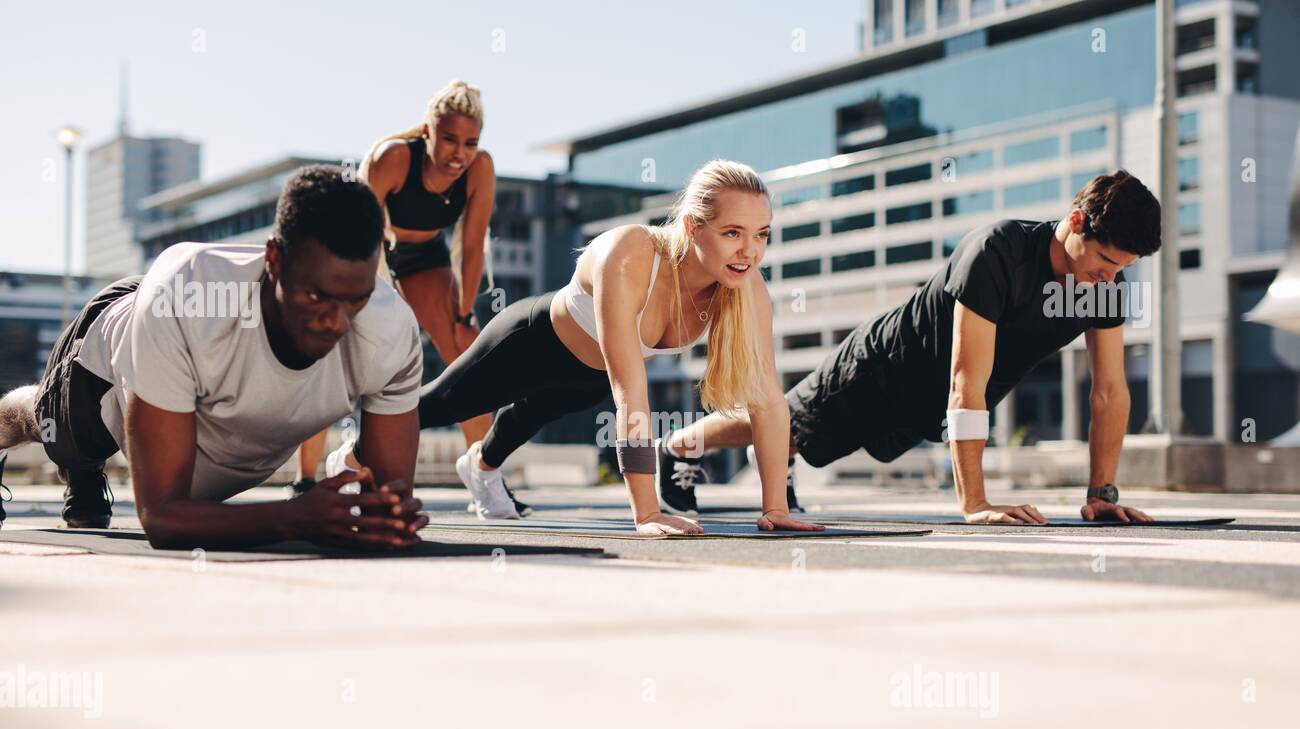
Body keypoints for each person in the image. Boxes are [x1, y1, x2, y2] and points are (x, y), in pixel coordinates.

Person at [659, 170, 1162, 525]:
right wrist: (976, 502)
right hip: (884, 368)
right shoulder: (998, 253)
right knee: (785, 424)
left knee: (792, 436)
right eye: (1103, 259)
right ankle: (679, 446)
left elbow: (1109, 393)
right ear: (1076, 222)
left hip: (933, 402)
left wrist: (1102, 494)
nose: (1110, 277)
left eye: (1123, 268)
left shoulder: (1102, 286)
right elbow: (968, 379)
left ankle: (772, 456)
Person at [0, 165, 427, 548]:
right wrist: (295, 518)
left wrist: (383, 517)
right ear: (274, 258)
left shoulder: (389, 330)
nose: (336, 322)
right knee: (49, 427)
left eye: (356, 300)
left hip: (178, 325)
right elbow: (162, 518)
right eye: (317, 296)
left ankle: (82, 468)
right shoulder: (184, 304)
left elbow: (388, 500)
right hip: (110, 350)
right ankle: (66, 457)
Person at [419, 159, 825, 536]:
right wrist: (646, 512)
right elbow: (631, 393)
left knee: (527, 417)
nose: (750, 251)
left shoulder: (745, 285)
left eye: (761, 235)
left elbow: (768, 400)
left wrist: (775, 509)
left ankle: (481, 468)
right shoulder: (632, 254)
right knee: (439, 405)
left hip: (592, 377)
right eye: (733, 233)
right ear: (692, 227)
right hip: (532, 345)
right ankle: (356, 457)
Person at [292, 80, 529, 513]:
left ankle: (483, 472)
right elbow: (358, 230)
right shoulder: (393, 158)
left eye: (471, 142)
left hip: (425, 257)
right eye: (450, 139)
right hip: (368, 249)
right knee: (333, 355)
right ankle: (308, 478)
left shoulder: (480, 169)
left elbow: (472, 245)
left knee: (468, 351)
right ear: (427, 132)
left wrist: (461, 312)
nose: (460, 153)